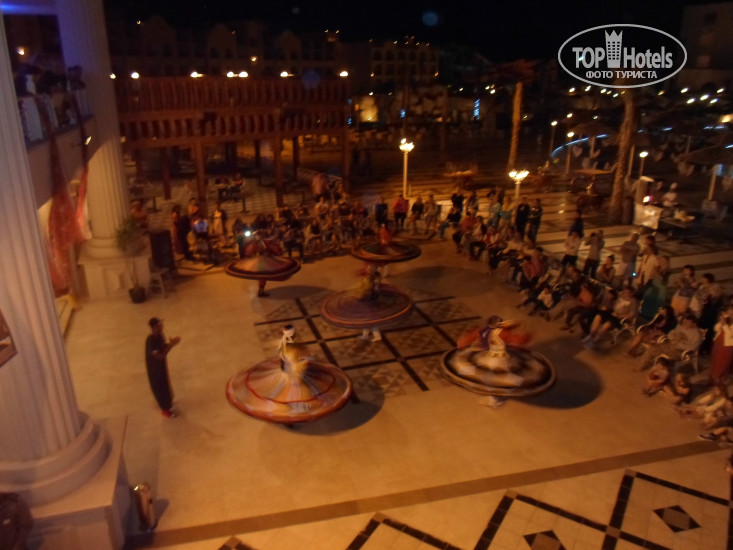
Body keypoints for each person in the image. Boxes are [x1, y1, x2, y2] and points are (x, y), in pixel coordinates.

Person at [145, 317, 181, 418]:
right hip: (155, 370)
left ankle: (168, 402)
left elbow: (163, 347)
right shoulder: (151, 341)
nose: (162, 326)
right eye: (160, 325)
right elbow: (159, 356)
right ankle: (165, 410)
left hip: (161, 367)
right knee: (159, 387)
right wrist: (171, 345)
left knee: (165, 384)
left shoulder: (160, 335)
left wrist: (170, 343)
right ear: (154, 327)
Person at [709, 304, 733, 386]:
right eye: (729, 310)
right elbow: (716, 328)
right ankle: (713, 379)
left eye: (731, 310)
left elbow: (730, 334)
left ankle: (720, 381)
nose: (729, 311)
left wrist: (725, 325)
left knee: (723, 363)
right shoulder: (726, 318)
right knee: (715, 361)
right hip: (718, 342)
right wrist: (721, 322)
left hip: (727, 346)